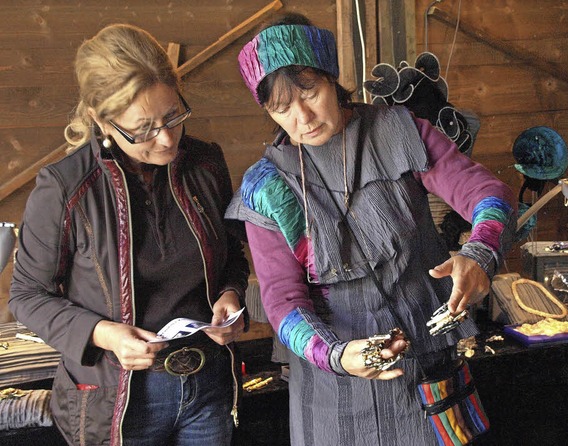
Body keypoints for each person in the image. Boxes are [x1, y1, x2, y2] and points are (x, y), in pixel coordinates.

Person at [226, 13, 517, 445]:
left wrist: (479, 254)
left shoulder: (399, 132)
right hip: (333, 396)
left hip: (428, 373)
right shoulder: (267, 187)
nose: (302, 117)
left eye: (310, 92)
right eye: (281, 108)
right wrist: (337, 355)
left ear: (332, 79)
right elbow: (282, 303)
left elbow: (488, 195)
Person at [9, 24, 249, 446]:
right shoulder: (66, 187)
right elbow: (27, 295)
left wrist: (230, 294)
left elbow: (231, 254)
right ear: (102, 120)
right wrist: (105, 333)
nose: (167, 138)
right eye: (143, 129)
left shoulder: (206, 164)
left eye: (173, 115)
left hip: (207, 384)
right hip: (117, 399)